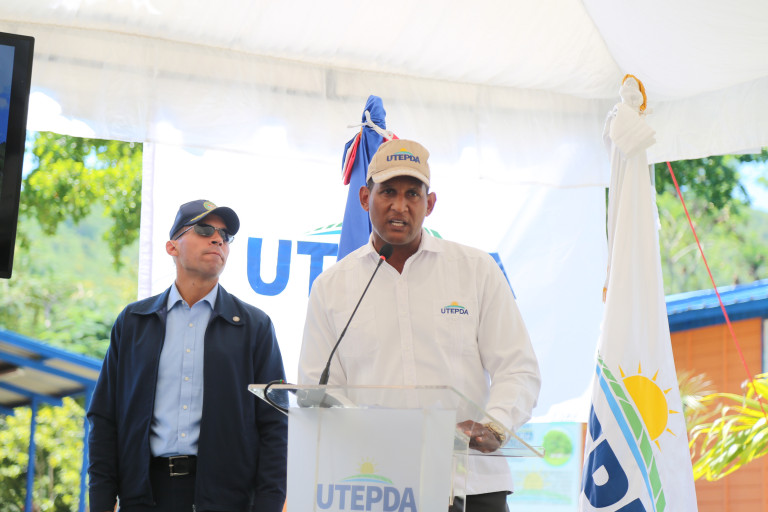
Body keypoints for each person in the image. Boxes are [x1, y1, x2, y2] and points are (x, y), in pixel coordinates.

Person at [298, 140, 541, 512]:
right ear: (364, 198)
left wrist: (495, 425)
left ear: (430, 204)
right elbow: (318, 391)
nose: (400, 206)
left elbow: (518, 368)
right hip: (375, 488)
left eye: (412, 193)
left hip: (471, 483)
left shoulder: (476, 271)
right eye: (388, 192)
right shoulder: (332, 287)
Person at [88, 200, 287, 512]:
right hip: (144, 498)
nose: (218, 239)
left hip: (227, 501)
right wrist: (101, 502)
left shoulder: (254, 326)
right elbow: (104, 417)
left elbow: (275, 425)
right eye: (205, 229)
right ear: (172, 247)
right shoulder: (134, 322)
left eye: (225, 235)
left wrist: (268, 506)